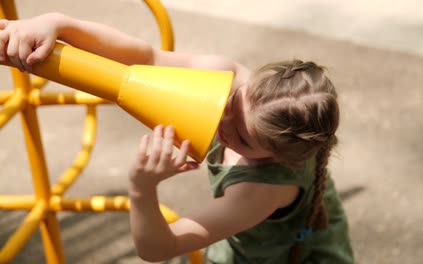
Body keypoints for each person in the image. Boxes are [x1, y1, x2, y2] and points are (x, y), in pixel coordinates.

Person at [0, 13, 354, 263]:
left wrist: (142, 188)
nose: (222, 122)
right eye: (231, 103)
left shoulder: (260, 191)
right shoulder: (228, 77)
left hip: (274, 253)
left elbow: (159, 248)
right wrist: (59, 24)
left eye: (242, 138)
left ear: (279, 157)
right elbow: (144, 57)